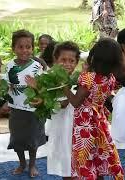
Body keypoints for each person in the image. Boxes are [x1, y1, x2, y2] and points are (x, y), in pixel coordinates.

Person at [63, 38, 124, 179]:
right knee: (97, 154)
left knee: (84, 155)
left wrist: (64, 86)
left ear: (93, 57)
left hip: (84, 123)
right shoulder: (111, 78)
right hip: (99, 120)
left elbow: (76, 102)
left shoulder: (88, 78)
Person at [5, 29, 47, 178]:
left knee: (32, 139)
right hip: (15, 109)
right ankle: (22, 163)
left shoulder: (37, 67)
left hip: (33, 109)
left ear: (32, 48)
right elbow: (9, 84)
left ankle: (32, 164)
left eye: (28, 47)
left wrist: (35, 86)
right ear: (13, 48)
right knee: (17, 138)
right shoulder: (9, 65)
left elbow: (44, 89)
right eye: (20, 47)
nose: (24, 50)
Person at [46, 41, 80, 179]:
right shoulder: (50, 80)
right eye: (63, 60)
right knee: (64, 161)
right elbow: (53, 104)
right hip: (61, 127)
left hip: (76, 127)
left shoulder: (79, 80)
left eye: (71, 61)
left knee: (76, 160)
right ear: (55, 60)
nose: (67, 64)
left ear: (77, 62)